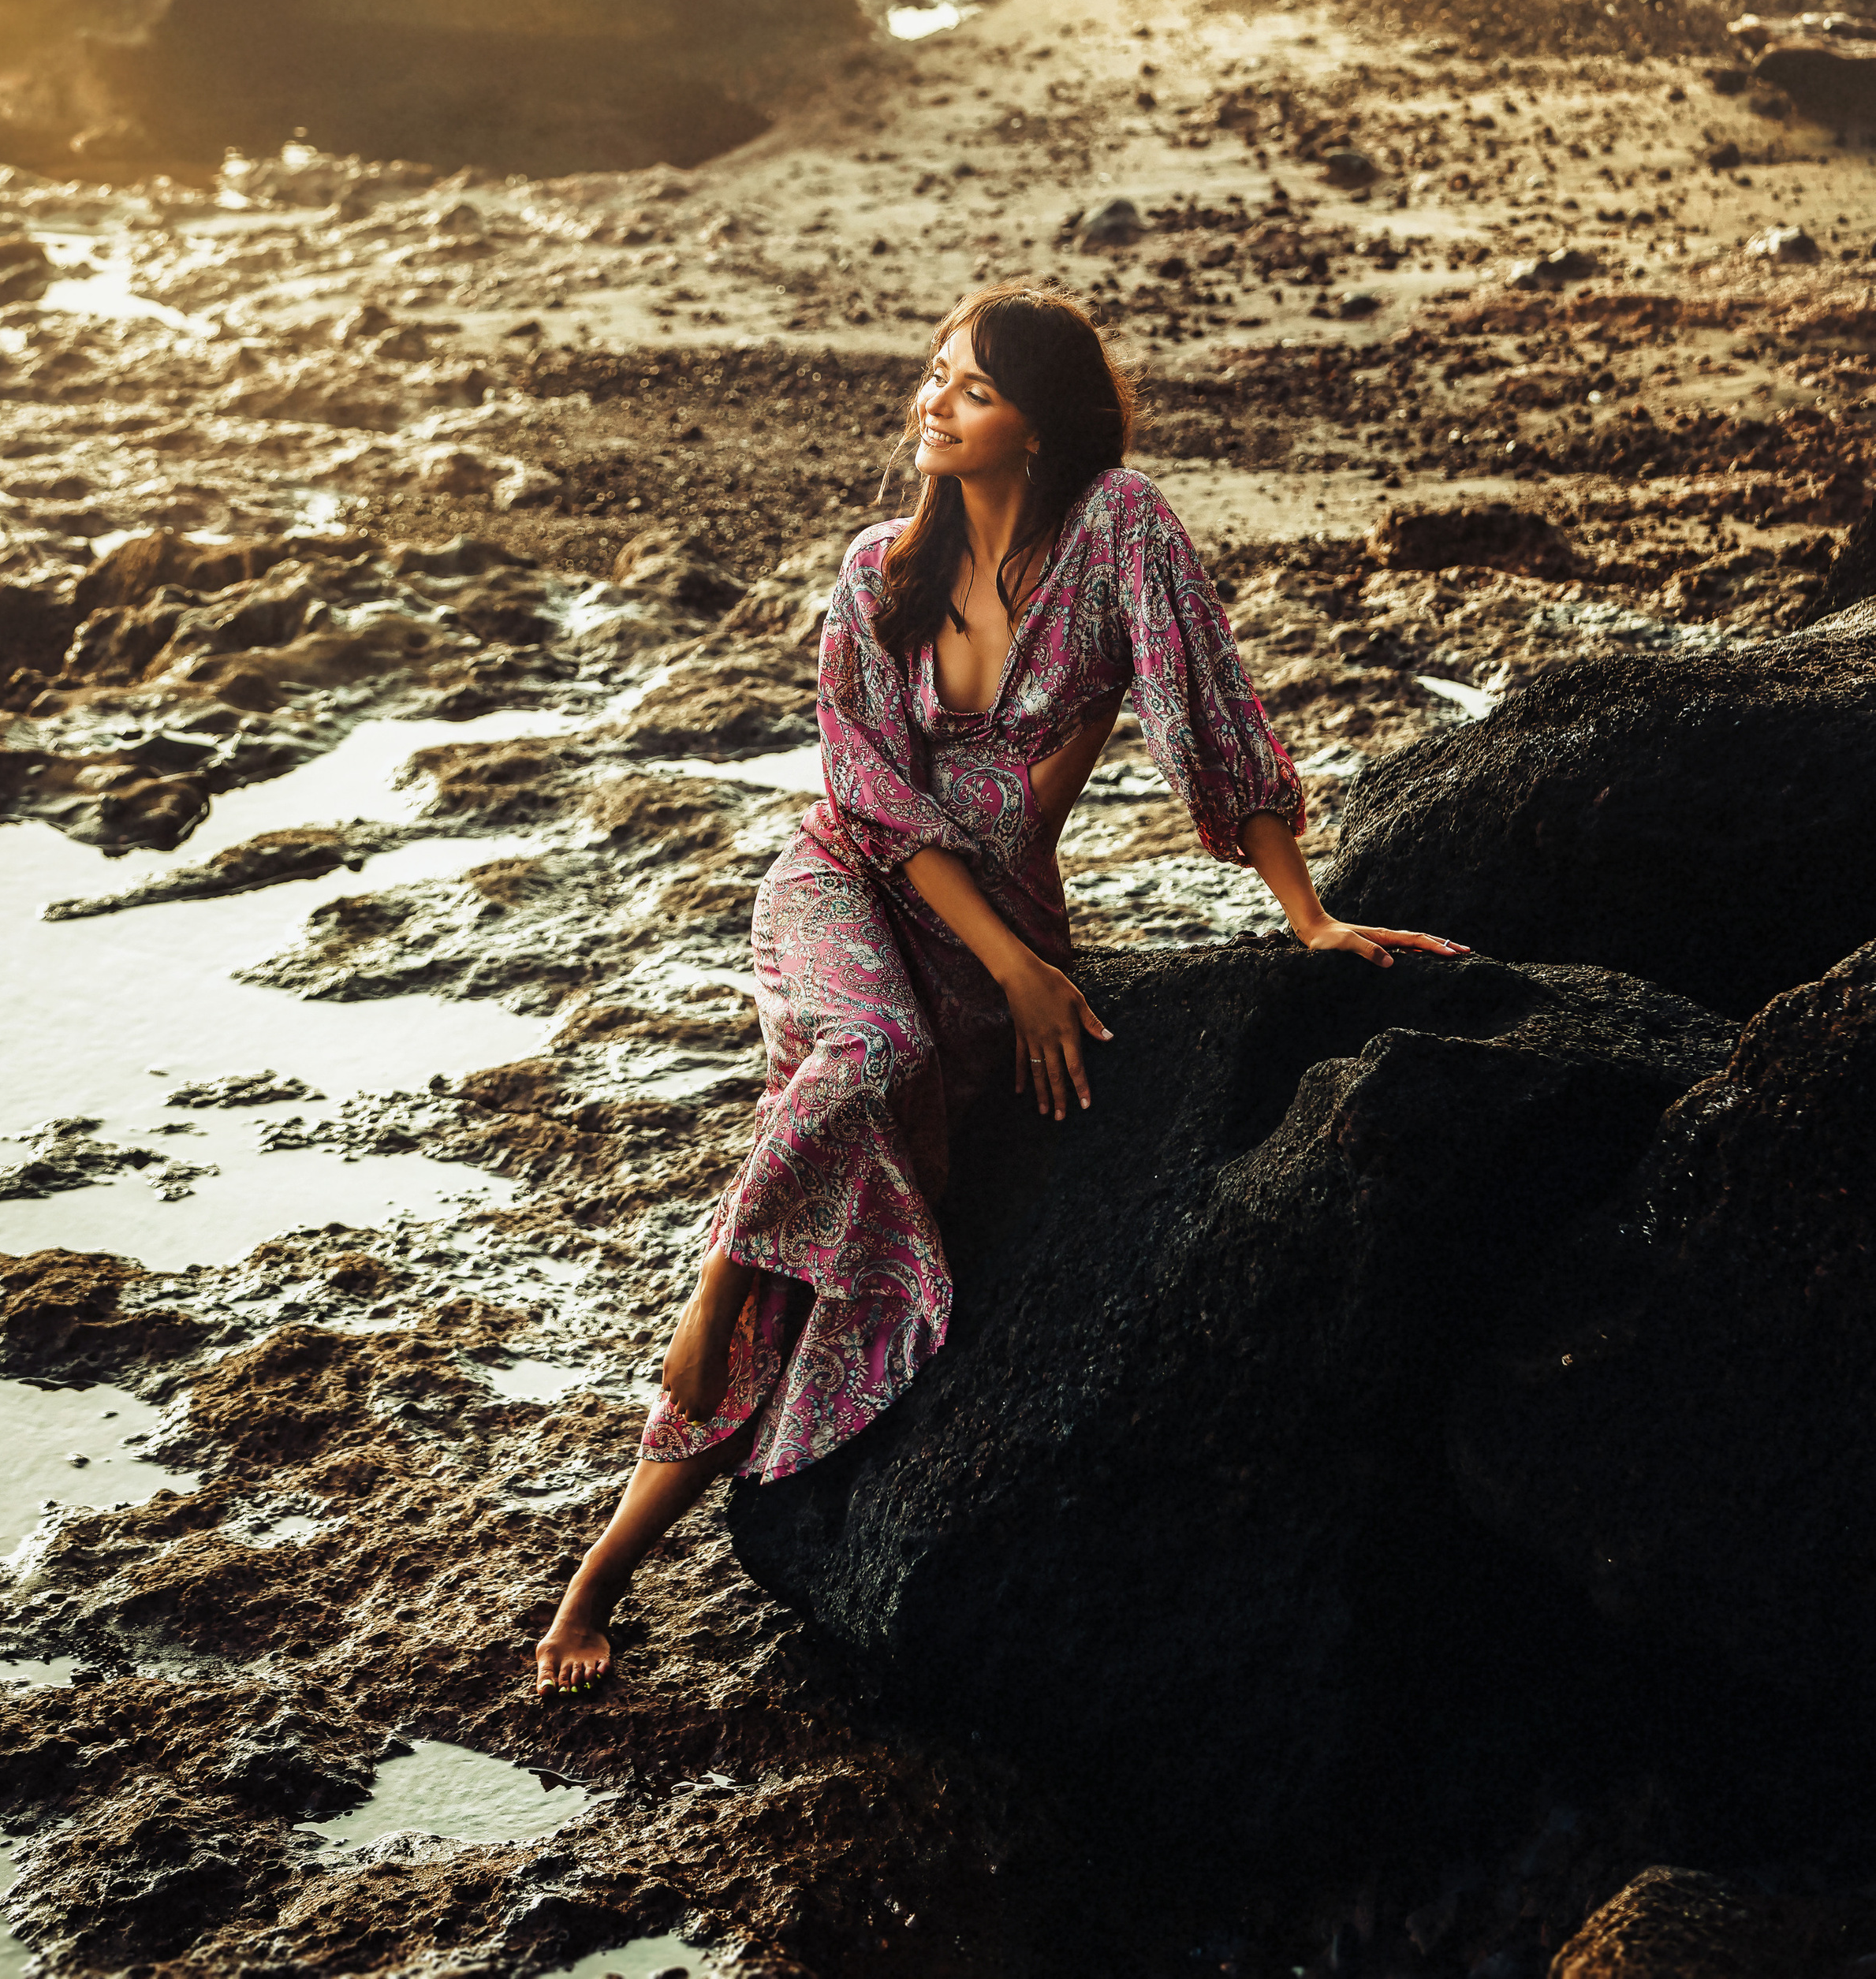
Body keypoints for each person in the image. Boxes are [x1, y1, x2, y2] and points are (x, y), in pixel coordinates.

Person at [535, 283, 1463, 1695]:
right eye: (934, 376)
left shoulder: (1119, 532)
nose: (933, 403)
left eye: (968, 389)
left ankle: (596, 1579)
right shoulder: (873, 572)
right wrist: (1023, 968)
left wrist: (1310, 917)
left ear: (1040, 424)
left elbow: (1206, 708)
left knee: (857, 1214)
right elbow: (873, 804)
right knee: (868, 1060)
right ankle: (715, 1286)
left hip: (994, 929)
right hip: (846, 891)